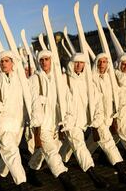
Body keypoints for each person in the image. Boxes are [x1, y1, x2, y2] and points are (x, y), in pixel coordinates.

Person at [28, 50, 77, 191]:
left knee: (45, 150)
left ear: (51, 60)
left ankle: (31, 170)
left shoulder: (58, 78)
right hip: (42, 123)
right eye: (41, 60)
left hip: (56, 123)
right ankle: (64, 178)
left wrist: (68, 116)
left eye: (46, 59)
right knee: (51, 152)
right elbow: (32, 100)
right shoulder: (34, 79)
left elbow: (67, 98)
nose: (44, 62)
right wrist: (38, 106)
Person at [59, 53, 109, 188]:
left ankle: (56, 162)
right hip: (70, 123)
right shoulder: (64, 79)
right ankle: (93, 175)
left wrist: (96, 117)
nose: (79, 65)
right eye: (76, 62)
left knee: (69, 147)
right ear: (71, 63)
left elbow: (96, 100)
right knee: (80, 147)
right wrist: (65, 119)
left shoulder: (87, 81)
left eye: (82, 63)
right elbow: (59, 101)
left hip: (83, 122)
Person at [85, 53, 126, 185]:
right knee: (109, 143)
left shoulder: (109, 78)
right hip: (98, 118)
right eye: (100, 62)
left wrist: (116, 116)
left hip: (108, 118)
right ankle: (121, 172)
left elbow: (117, 95)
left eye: (105, 62)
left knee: (91, 143)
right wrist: (95, 123)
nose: (102, 65)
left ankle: (74, 157)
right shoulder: (90, 79)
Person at [0, 51, 27, 190]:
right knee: (12, 154)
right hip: (3, 125)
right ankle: (22, 184)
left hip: (18, 125)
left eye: (7, 61)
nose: (4, 63)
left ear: (12, 63)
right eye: (2, 61)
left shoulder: (20, 80)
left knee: (8, 155)